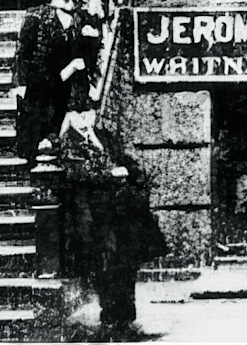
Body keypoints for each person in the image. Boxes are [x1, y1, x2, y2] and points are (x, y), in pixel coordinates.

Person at [60, 112, 168, 341]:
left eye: (87, 113)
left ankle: (126, 320)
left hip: (121, 216)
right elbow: (77, 174)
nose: (84, 119)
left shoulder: (104, 136)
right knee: (106, 267)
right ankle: (110, 321)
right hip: (95, 219)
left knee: (127, 266)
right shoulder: (68, 143)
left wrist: (136, 179)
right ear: (69, 118)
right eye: (77, 115)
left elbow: (126, 161)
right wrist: (110, 174)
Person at [13, 0, 101, 165]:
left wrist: (91, 37)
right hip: (43, 84)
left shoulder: (82, 17)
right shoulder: (36, 16)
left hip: (71, 87)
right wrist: (19, 82)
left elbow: (91, 54)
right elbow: (23, 52)